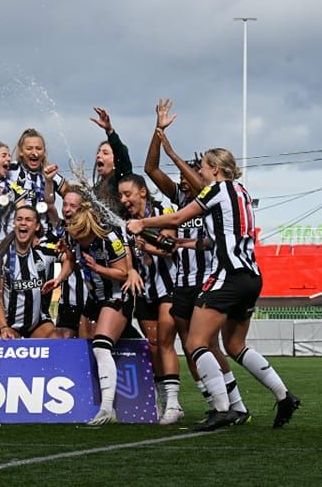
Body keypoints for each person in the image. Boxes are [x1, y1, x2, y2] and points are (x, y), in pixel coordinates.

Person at [128, 147, 300, 431]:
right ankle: (284, 396)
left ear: (215, 170)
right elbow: (213, 240)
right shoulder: (242, 192)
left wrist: (142, 223)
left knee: (196, 342)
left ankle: (222, 409)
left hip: (227, 276)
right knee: (235, 345)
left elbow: (176, 218)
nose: (201, 173)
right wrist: (183, 244)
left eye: (204, 168)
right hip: (251, 277)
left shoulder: (216, 190)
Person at [145, 101, 249, 421]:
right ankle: (215, 402)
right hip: (183, 283)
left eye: (189, 173)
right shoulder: (181, 198)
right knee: (192, 349)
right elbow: (150, 169)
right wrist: (158, 131)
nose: (184, 180)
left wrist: (174, 152)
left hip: (209, 281)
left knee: (207, 346)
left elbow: (204, 185)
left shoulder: (214, 197)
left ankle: (234, 404)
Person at [67, 201, 142, 425]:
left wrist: (98, 268)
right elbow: (71, 259)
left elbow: (124, 273)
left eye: (81, 237)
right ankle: (86, 401)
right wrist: (60, 278)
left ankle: (108, 408)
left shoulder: (110, 240)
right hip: (94, 298)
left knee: (101, 344)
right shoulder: (74, 238)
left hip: (117, 295)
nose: (78, 241)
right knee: (85, 346)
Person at [118, 173, 183, 424]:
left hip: (168, 287)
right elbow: (125, 253)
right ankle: (159, 399)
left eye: (128, 194)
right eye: (121, 195)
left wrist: (144, 242)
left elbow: (170, 246)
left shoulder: (162, 211)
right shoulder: (126, 222)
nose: (124, 200)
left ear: (142, 192)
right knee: (154, 344)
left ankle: (174, 401)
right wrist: (131, 268)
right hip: (144, 290)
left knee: (166, 341)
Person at [0, 205, 69, 339]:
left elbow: (70, 260)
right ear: (14, 223)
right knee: (6, 341)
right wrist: (4, 327)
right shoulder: (1, 257)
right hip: (11, 325)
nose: (23, 223)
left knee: (56, 339)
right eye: (19, 219)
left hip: (38, 325)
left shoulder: (45, 252)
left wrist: (59, 278)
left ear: (37, 226)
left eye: (28, 219)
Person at [53, 189, 94, 339]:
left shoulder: (97, 234)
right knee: (64, 345)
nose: (66, 209)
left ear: (83, 210)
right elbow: (70, 259)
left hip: (93, 300)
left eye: (72, 206)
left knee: (89, 344)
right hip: (69, 301)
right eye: (64, 205)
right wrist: (59, 279)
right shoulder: (64, 232)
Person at [90, 107, 133, 218]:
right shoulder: (96, 189)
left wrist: (110, 131)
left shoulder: (120, 181)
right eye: (99, 152)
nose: (98, 155)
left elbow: (122, 158)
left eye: (105, 153)